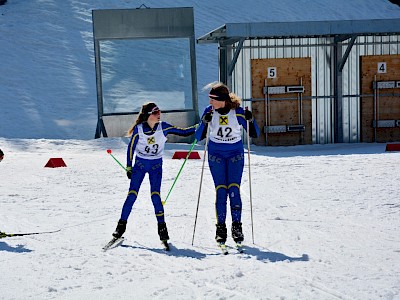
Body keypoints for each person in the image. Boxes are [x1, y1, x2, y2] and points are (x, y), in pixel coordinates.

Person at [111, 102, 196, 244]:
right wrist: (128, 166)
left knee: (155, 196)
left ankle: (162, 229)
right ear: (148, 116)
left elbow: (184, 132)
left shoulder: (164, 126)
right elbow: (131, 148)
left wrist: (202, 125)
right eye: (156, 113)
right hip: (140, 165)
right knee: (132, 195)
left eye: (159, 112)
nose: (159, 115)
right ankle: (120, 227)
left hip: (155, 166)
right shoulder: (139, 129)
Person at [195, 82, 260, 245]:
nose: (210, 103)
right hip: (216, 154)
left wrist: (251, 120)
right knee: (221, 190)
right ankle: (221, 228)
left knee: (234, 189)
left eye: (213, 99)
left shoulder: (237, 112)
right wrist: (204, 122)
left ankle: (237, 226)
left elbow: (255, 134)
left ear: (222, 100)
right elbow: (198, 137)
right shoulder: (209, 111)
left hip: (234, 154)